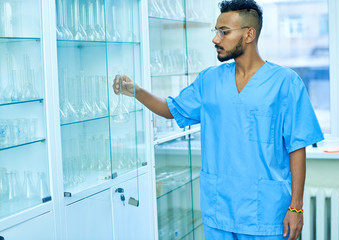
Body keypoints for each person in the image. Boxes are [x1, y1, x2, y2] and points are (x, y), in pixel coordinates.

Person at [113, 0, 324, 239]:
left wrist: (296, 207)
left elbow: (297, 146)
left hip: (265, 213)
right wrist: (137, 91)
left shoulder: (285, 83)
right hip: (219, 210)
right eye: (216, 31)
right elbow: (172, 108)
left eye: (224, 32)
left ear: (249, 34)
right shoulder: (209, 81)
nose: (216, 39)